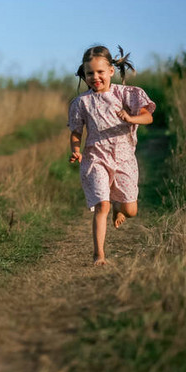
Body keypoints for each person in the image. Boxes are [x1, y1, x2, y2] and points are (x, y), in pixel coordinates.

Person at [68, 45, 155, 266]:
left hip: (124, 156)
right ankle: (99, 255)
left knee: (131, 210)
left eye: (99, 72)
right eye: (89, 73)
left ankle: (120, 207)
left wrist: (131, 118)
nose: (95, 77)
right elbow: (77, 132)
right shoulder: (82, 103)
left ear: (110, 71)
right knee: (102, 205)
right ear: (84, 74)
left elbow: (147, 117)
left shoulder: (127, 94)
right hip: (96, 157)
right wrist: (76, 150)